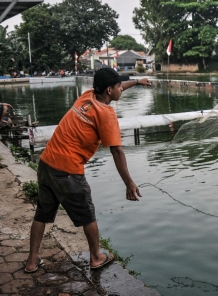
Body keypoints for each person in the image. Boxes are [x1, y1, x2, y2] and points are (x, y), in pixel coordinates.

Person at [24, 68, 152, 273]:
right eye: (119, 86)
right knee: (88, 215)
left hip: (46, 162)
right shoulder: (106, 114)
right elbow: (117, 151)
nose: (121, 88)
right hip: (67, 171)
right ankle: (96, 257)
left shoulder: (88, 96)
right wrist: (129, 182)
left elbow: (117, 88)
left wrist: (136, 82)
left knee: (42, 214)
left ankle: (32, 261)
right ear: (109, 90)